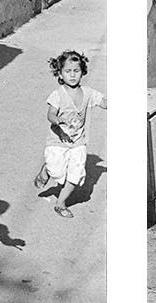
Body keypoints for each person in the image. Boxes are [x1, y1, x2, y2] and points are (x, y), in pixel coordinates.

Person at [34, 50, 107, 218]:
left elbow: (103, 102)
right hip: (57, 142)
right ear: (60, 73)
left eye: (76, 71)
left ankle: (60, 203)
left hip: (78, 142)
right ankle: (46, 170)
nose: (72, 75)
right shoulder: (57, 95)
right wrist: (57, 121)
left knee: (77, 173)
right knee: (57, 172)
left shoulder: (88, 93)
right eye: (68, 71)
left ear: (82, 72)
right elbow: (50, 114)